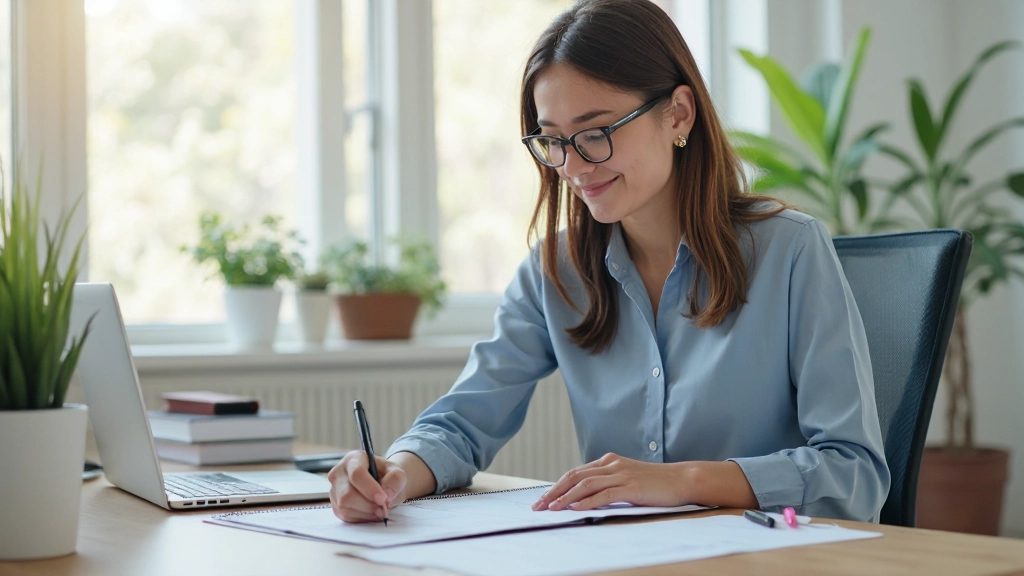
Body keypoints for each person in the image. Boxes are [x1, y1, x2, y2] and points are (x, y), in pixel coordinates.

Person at [328, 0, 890, 524]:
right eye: (553, 140)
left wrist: (682, 481)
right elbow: (461, 424)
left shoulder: (789, 251)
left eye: (596, 133)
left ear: (678, 115)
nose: (573, 166)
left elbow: (853, 472)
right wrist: (395, 472)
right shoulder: (555, 271)